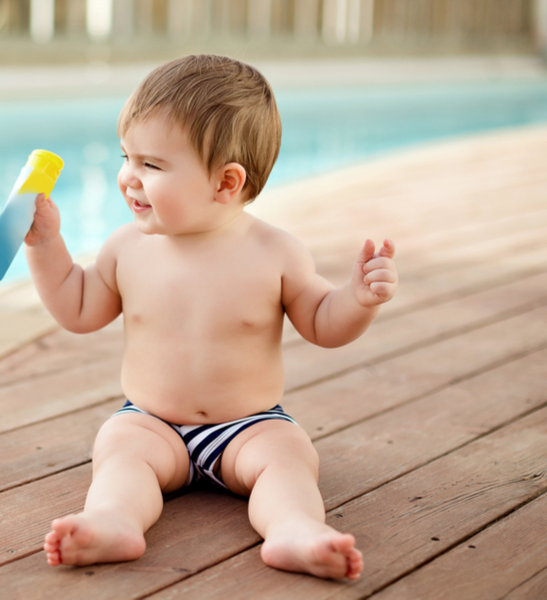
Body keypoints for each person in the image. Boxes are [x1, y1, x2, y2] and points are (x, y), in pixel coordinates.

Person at [24, 54, 397, 581]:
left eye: (151, 165)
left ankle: (294, 529)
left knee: (288, 457)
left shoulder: (276, 252)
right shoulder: (126, 248)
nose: (129, 177)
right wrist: (46, 246)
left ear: (226, 183)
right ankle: (112, 520)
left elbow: (322, 323)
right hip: (151, 420)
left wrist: (357, 299)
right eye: (126, 156)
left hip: (247, 425)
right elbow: (78, 308)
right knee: (119, 451)